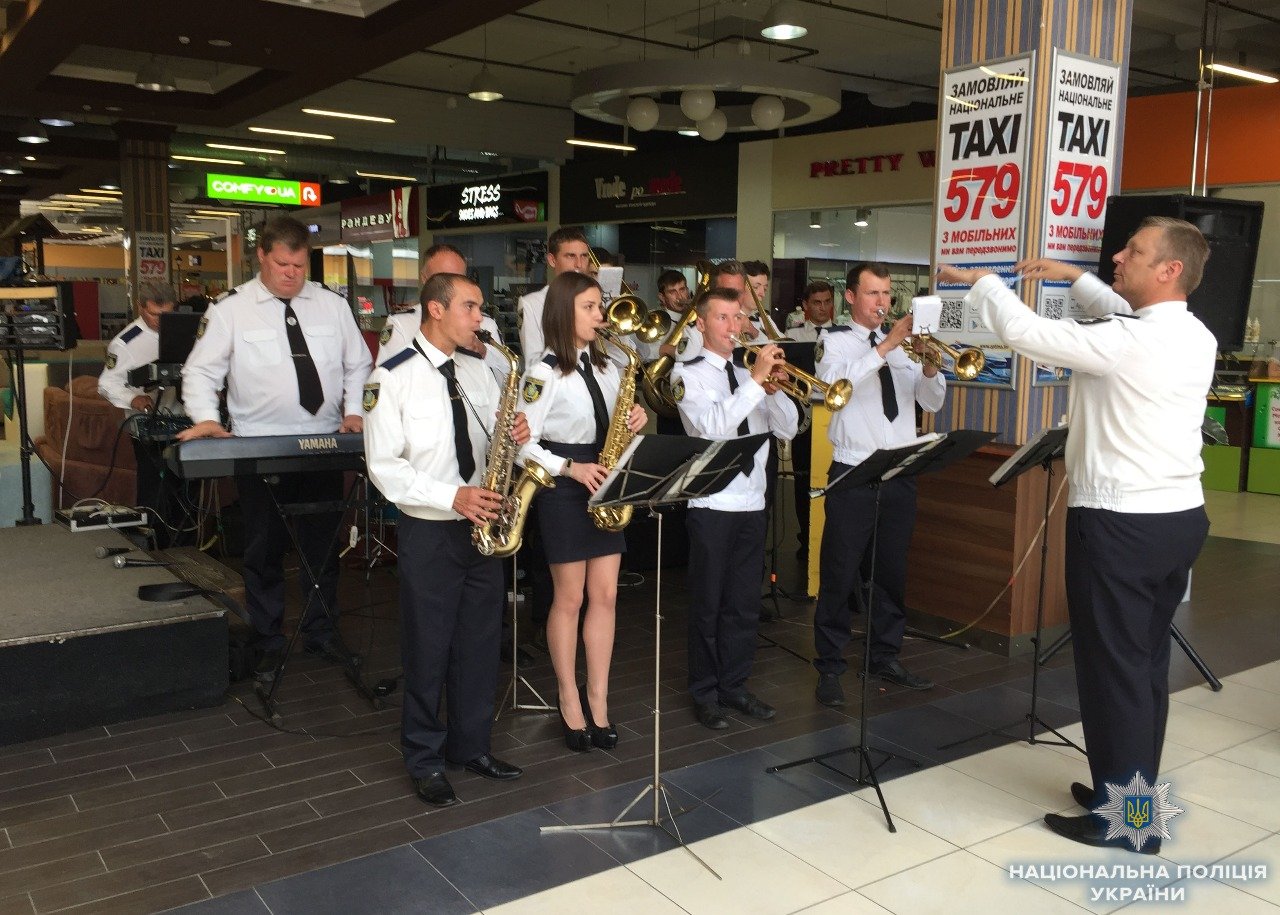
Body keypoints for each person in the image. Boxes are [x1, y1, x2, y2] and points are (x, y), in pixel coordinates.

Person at [939, 216, 1215, 852]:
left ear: (1169, 269)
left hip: (1121, 526)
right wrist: (1077, 279)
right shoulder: (1190, 332)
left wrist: (984, 283)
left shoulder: (1128, 341)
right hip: (1177, 520)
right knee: (1142, 665)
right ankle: (1131, 793)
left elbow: (1025, 332)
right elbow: (1122, 310)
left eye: (1135, 252)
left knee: (1113, 670)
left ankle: (1128, 823)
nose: (1120, 255)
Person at [179, 215, 372, 673]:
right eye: (282, 264)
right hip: (258, 445)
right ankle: (267, 637)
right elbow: (201, 370)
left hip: (324, 442)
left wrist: (354, 413)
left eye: (300, 266)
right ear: (262, 257)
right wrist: (206, 419)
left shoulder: (331, 305)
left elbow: (358, 365)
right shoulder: (230, 309)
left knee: (322, 548)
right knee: (263, 550)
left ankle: (321, 633)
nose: (291, 274)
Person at [363, 272, 525, 807]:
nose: (480, 317)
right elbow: (384, 468)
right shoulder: (391, 378)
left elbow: (496, 446)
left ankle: (471, 745)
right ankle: (425, 758)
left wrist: (519, 436)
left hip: (483, 528)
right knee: (428, 648)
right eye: (471, 307)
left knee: (480, 645)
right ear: (436, 309)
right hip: (430, 530)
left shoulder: (483, 372)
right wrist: (452, 496)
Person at [517, 272, 647, 752]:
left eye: (600, 307)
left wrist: (635, 421)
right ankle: (568, 697)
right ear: (563, 312)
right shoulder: (543, 372)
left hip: (605, 480)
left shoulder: (612, 367)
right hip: (565, 487)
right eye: (591, 307)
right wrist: (569, 468)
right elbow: (520, 448)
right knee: (569, 599)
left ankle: (599, 699)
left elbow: (617, 432)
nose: (601, 316)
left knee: (607, 597)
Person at [812, 262, 946, 705]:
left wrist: (929, 367)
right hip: (853, 472)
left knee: (891, 573)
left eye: (888, 294)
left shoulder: (908, 348)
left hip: (899, 474)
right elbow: (832, 387)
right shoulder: (833, 342)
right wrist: (885, 346)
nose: (883, 303)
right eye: (873, 294)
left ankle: (884, 655)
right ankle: (829, 666)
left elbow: (931, 401)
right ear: (850, 297)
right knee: (840, 572)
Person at [673, 287, 798, 729]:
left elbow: (787, 430)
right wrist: (755, 383)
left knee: (744, 603)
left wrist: (776, 391)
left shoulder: (751, 375)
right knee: (709, 603)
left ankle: (735, 685)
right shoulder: (687, 374)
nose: (734, 327)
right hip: (712, 502)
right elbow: (711, 427)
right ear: (702, 324)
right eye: (723, 318)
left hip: (753, 501)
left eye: (738, 318)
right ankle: (705, 693)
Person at [99, 280, 188, 544]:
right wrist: (133, 397)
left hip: (185, 422)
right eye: (153, 314)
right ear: (140, 307)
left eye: (167, 314)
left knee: (186, 495)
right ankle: (156, 547)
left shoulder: (187, 332)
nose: (160, 320)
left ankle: (188, 551)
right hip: (149, 430)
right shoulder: (125, 343)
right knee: (156, 494)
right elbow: (106, 383)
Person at [377, 244, 505, 382]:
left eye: (458, 278)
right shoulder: (402, 324)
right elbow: (387, 380)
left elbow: (506, 381)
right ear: (424, 279)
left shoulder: (485, 324)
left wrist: (484, 353)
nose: (450, 287)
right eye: (441, 279)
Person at [784, 281, 840, 562]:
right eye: (816, 302)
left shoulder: (843, 334)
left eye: (827, 301)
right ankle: (806, 538)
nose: (822, 308)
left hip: (835, 417)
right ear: (805, 306)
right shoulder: (791, 337)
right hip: (805, 420)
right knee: (803, 479)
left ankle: (831, 540)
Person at [518, 226, 590, 363]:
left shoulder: (596, 303)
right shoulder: (532, 303)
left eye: (584, 256)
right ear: (552, 260)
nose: (579, 264)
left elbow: (620, 360)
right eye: (570, 256)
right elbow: (533, 362)